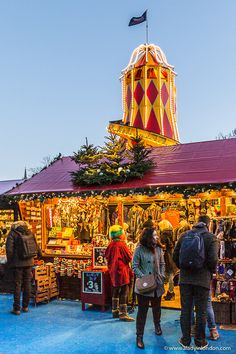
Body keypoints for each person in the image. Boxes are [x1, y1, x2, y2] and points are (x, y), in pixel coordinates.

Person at [173, 215, 218, 349]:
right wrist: (209, 271)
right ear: (208, 224)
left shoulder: (184, 235)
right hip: (202, 279)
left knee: (185, 310)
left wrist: (184, 268)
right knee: (201, 311)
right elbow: (213, 259)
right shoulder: (211, 238)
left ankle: (185, 340)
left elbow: (175, 256)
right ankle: (200, 341)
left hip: (185, 279)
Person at [132, 228, 165, 349]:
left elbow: (162, 264)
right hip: (144, 287)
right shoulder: (139, 249)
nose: (157, 237)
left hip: (157, 285)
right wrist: (143, 278)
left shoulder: (158, 248)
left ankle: (157, 325)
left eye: (157, 235)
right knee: (142, 312)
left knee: (157, 308)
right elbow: (134, 266)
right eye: (154, 235)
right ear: (148, 237)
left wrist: (162, 275)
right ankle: (139, 336)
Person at [6, 221, 42, 315]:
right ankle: (25, 307)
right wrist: (39, 255)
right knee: (27, 284)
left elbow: (9, 249)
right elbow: (36, 246)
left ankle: (16, 308)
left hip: (17, 264)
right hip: (29, 262)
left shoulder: (12, 233)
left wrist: (10, 262)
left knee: (17, 285)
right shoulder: (29, 232)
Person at [105, 225, 134, 322]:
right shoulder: (122, 245)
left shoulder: (110, 245)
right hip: (122, 272)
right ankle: (123, 313)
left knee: (115, 291)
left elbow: (107, 256)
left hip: (113, 271)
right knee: (124, 292)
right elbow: (129, 257)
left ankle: (115, 311)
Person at [159, 220, 176, 301]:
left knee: (167, 274)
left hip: (166, 256)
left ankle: (170, 292)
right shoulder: (172, 232)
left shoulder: (163, 234)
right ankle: (171, 292)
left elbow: (162, 246)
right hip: (171, 254)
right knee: (171, 274)